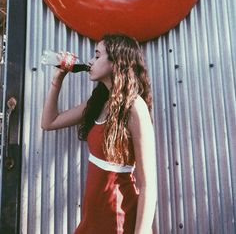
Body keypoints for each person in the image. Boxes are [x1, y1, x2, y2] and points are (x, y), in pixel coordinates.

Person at [41, 34, 157, 234]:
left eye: (97, 56)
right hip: (93, 217)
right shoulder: (98, 102)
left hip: (117, 217)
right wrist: (57, 80)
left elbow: (148, 185)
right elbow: (49, 122)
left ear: (116, 62)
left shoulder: (134, 107)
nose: (90, 62)